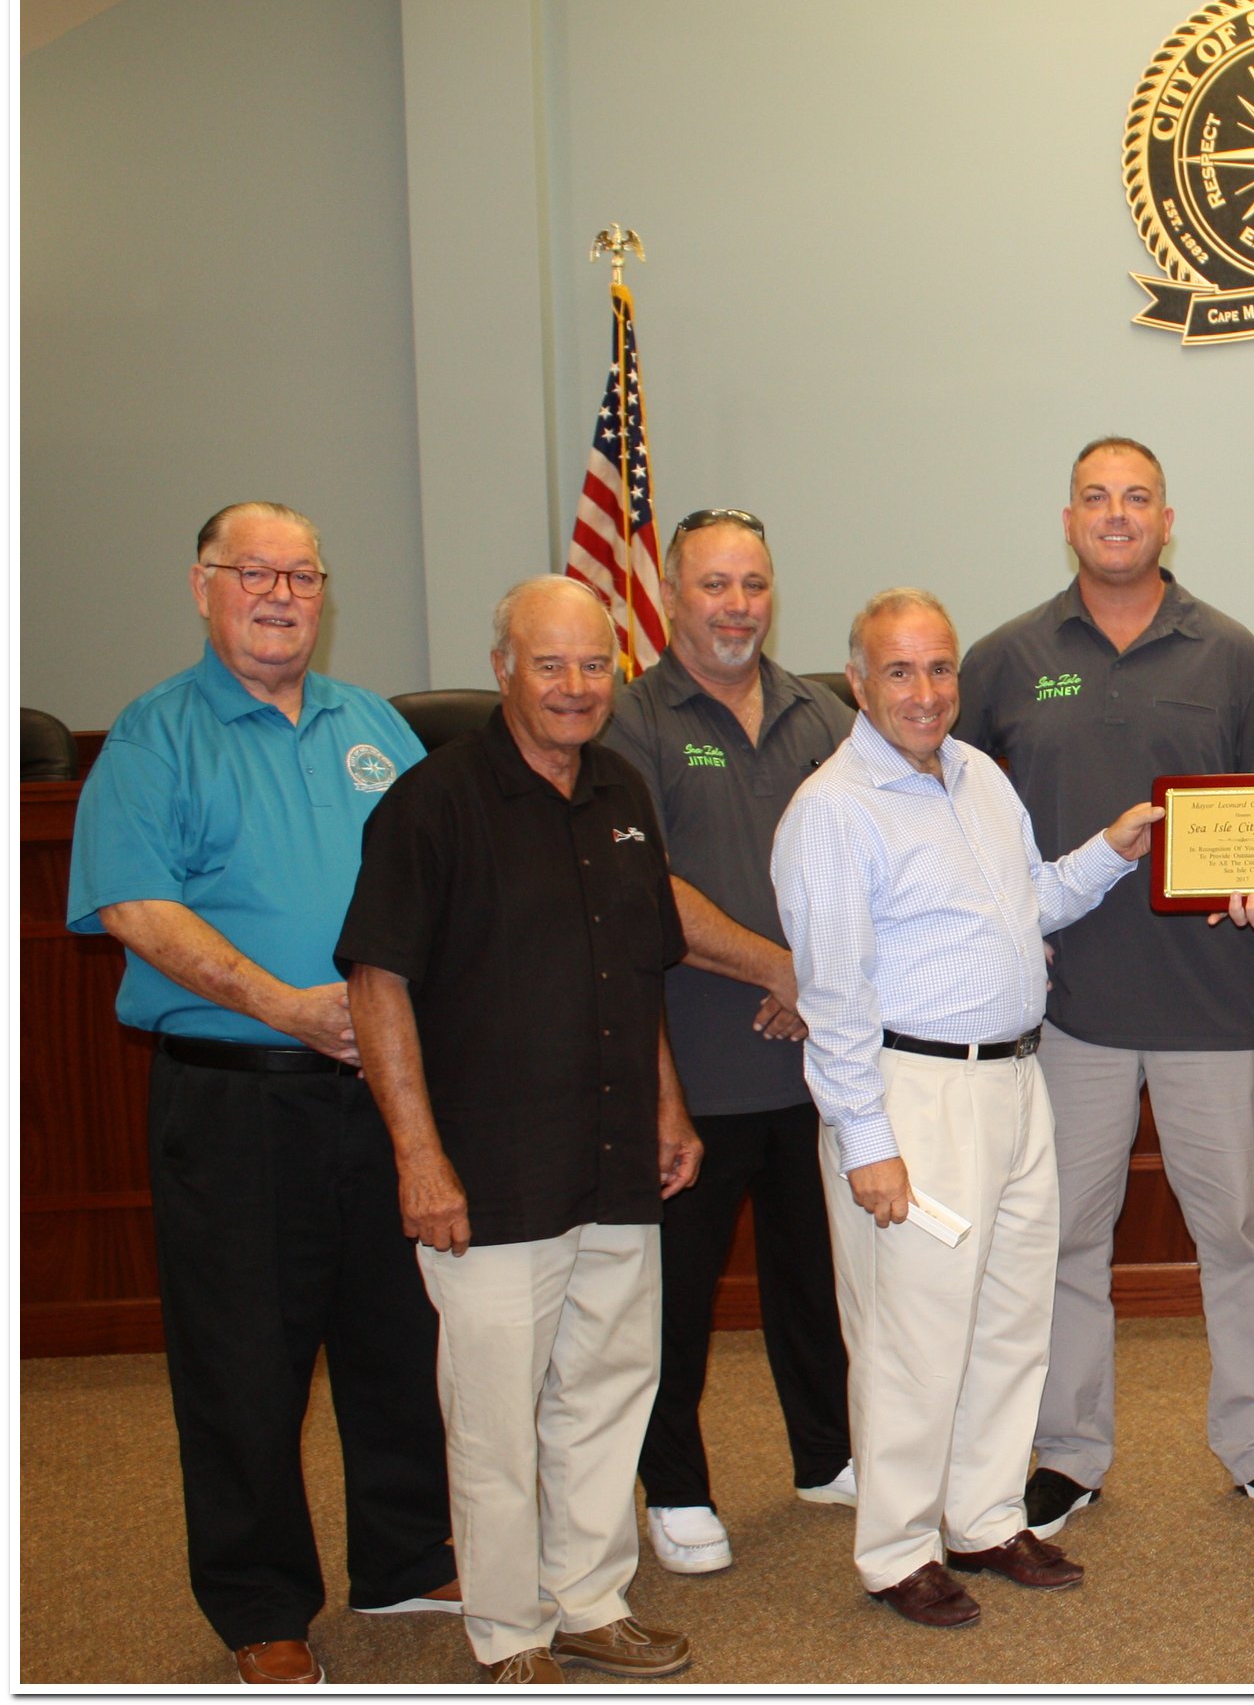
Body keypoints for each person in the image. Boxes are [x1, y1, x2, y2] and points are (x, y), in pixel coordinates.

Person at [68, 501, 458, 1686]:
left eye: (301, 574)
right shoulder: (156, 735)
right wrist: (287, 1005)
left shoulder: (374, 724)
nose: (281, 594)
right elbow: (137, 905)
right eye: (254, 573)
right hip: (237, 1099)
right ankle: (260, 1601)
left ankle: (402, 1558)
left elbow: (439, 876)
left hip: (381, 1091)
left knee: (398, 1333)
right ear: (203, 587)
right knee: (244, 1359)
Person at [954, 437, 1254, 1535]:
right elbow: (961, 824)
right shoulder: (1005, 661)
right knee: (1065, 1240)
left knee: (1241, 1236)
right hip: (1065, 1011)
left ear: (1169, 519)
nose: (1116, 515)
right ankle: (1066, 1451)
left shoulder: (1229, 654)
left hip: (1210, 1004)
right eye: (1096, 498)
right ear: (1068, 517)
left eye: (1137, 499)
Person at [338, 576, 703, 1684]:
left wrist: (669, 1107)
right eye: (551, 663)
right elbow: (376, 981)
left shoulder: (625, 791)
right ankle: (509, 1631)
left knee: (607, 1389)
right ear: (503, 667)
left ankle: (591, 1600)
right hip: (487, 1172)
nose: (576, 685)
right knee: (495, 1419)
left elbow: (637, 974)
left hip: (612, 1161)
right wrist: (418, 1157)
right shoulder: (431, 804)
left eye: (595, 664)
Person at [773, 588, 1161, 1628]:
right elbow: (835, 998)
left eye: (940, 669)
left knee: (1009, 1316)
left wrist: (1114, 851)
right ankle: (898, 1548)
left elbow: (1028, 901)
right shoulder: (832, 811)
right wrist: (867, 1142)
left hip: (1015, 1085)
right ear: (856, 682)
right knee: (911, 1335)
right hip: (912, 1095)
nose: (926, 692)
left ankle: (985, 1516)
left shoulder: (980, 776)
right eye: (899, 672)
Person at [603, 508, 857, 1578]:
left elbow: (872, 852)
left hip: (812, 1058)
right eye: (714, 586)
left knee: (818, 1276)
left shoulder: (820, 711)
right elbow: (638, 883)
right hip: (691, 1063)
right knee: (675, 1294)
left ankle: (826, 1452)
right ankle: (676, 1485)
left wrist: (821, 983)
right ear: (671, 590)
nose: (737, 607)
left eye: (752, 585)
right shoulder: (631, 721)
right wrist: (774, 967)